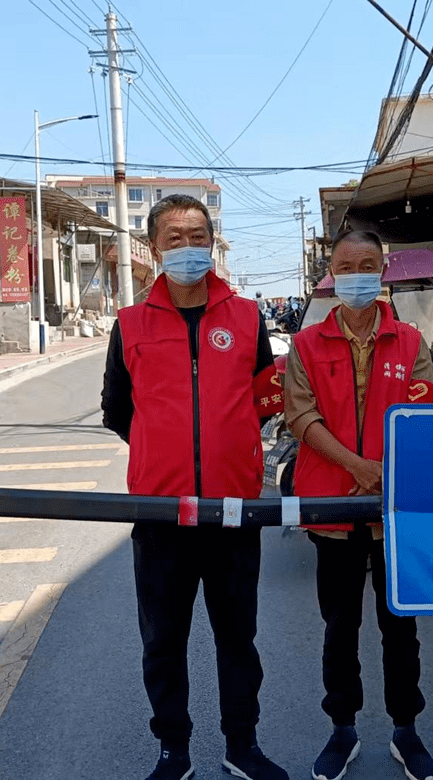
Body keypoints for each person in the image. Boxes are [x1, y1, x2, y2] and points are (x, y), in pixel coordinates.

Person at [101, 194, 288, 780]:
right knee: (163, 643)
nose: (188, 247)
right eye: (175, 237)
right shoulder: (130, 324)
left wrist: (227, 445)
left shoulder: (246, 316)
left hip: (234, 511)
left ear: (212, 241)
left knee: (239, 640)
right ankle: (173, 750)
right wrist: (166, 452)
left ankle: (243, 745)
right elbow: (116, 409)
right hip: (160, 514)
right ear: (153, 247)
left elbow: (262, 399)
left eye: (198, 235)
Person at [283, 230, 433, 780]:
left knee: (401, 627)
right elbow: (300, 417)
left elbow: (424, 416)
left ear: (383, 270)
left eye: (367, 264)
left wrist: (384, 473)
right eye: (346, 265)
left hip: (394, 512)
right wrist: (357, 467)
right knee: (339, 626)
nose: (357, 274)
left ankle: (406, 728)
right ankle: (342, 728)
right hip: (331, 509)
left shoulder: (409, 340)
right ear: (332, 273)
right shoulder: (306, 345)